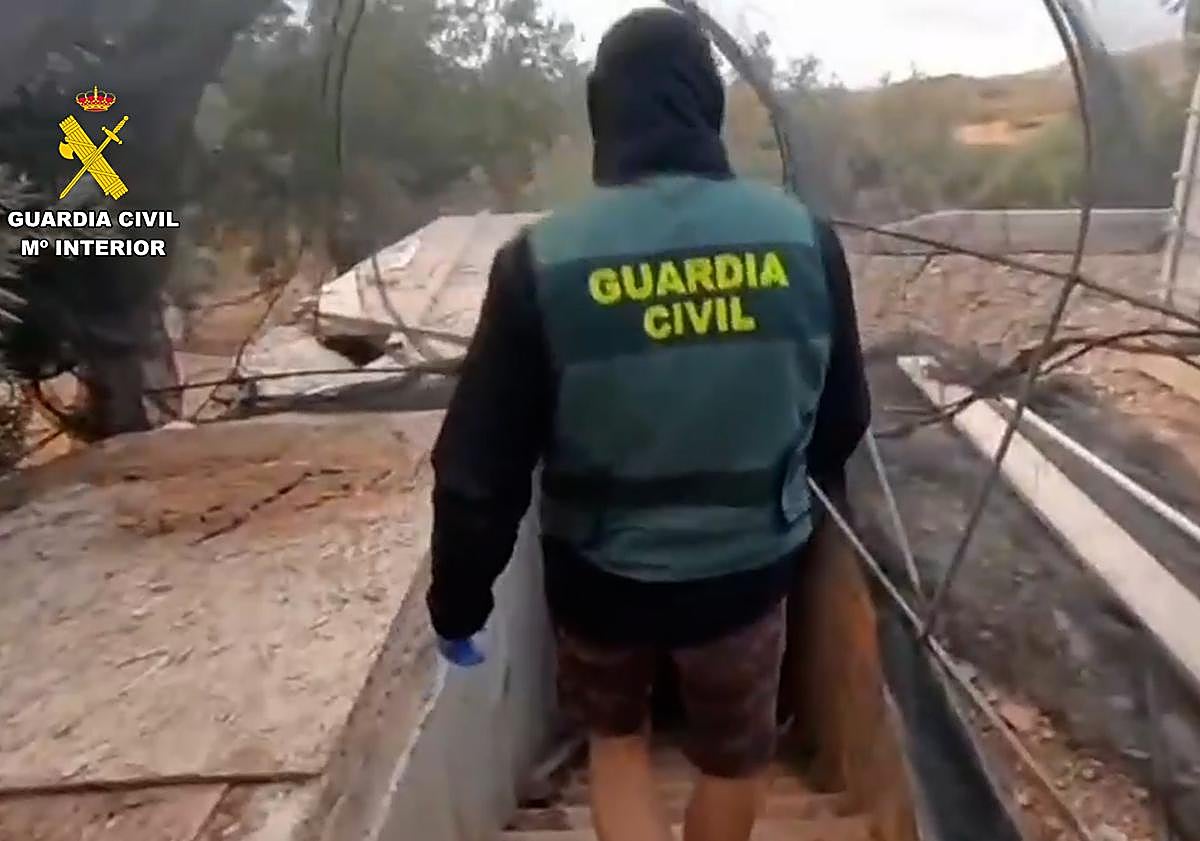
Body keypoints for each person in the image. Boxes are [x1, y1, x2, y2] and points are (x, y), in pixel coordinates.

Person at [426, 8, 870, 841]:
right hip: (748, 571)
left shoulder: (539, 261)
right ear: (707, 103)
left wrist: (459, 603)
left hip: (600, 581)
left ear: (605, 110)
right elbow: (844, 422)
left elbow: (477, 474)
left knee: (619, 742)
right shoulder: (805, 241)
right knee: (736, 759)